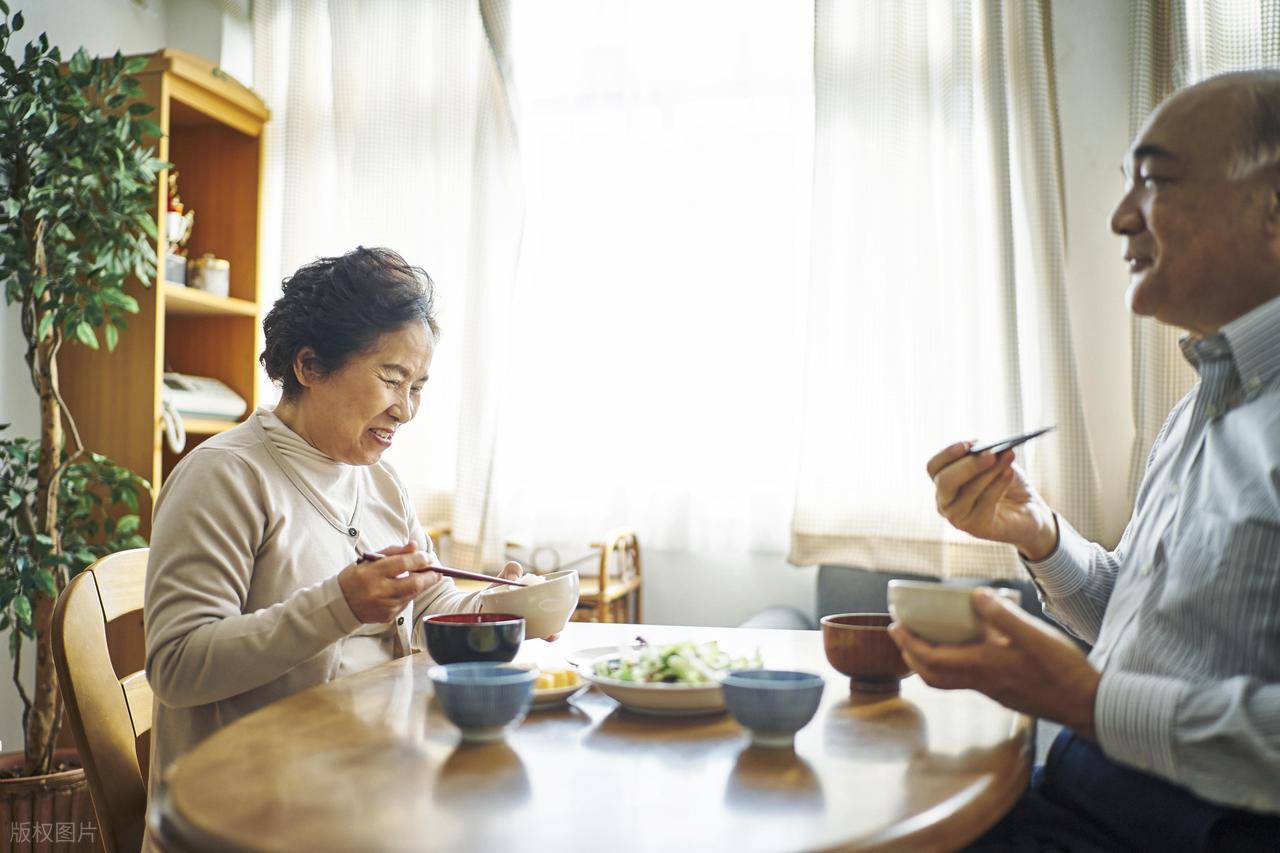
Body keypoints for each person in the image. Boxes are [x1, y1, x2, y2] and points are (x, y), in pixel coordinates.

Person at [891, 71, 1280, 851]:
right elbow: (1150, 629)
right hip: (1079, 793)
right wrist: (1039, 534)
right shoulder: (1201, 404)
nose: (1119, 217)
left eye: (1155, 181)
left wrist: (1089, 699)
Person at [144, 247, 529, 797]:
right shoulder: (225, 476)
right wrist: (340, 607)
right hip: (250, 808)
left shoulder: (380, 481)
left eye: (417, 387)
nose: (406, 409)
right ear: (309, 366)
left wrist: (508, 609)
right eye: (392, 379)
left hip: (365, 777)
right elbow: (177, 666)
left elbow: (432, 609)